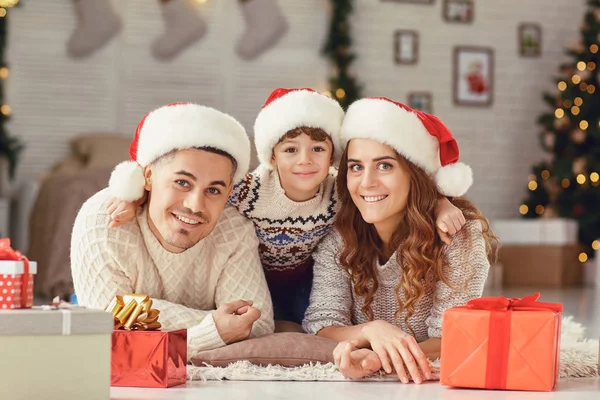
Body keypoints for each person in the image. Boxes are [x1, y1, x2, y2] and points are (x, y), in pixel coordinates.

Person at [105, 88, 467, 330]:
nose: (305, 161)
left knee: (302, 326)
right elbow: (200, 199)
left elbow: (392, 188)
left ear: (332, 156)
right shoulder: (249, 190)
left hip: (307, 278)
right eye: (290, 150)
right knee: (256, 322)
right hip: (253, 273)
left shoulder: (339, 189)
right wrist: (132, 193)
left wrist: (440, 202)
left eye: (318, 149)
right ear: (272, 156)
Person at [302, 97, 497, 383]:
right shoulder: (339, 238)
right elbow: (322, 323)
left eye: (384, 166)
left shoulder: (457, 234)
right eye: (356, 167)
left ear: (414, 174)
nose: (366, 182)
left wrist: (377, 359)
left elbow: (454, 337)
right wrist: (370, 330)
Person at [70, 102, 274, 360]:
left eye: (213, 190)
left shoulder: (233, 228)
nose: (195, 205)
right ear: (147, 177)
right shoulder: (104, 217)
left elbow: (258, 323)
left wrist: (131, 310)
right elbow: (106, 322)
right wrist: (211, 331)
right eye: (182, 182)